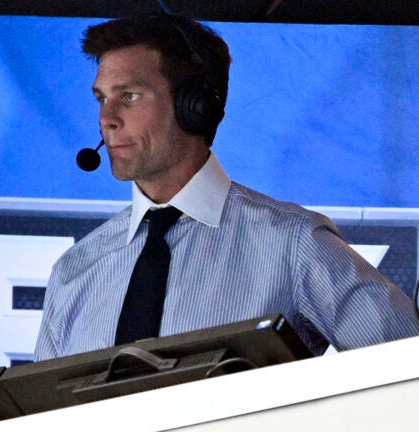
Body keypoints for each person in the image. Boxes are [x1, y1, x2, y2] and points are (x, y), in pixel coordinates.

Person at [34, 14, 419, 361]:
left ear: (195, 105)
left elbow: (408, 370)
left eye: (129, 96)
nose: (106, 119)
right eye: (101, 99)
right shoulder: (76, 270)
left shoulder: (293, 244)